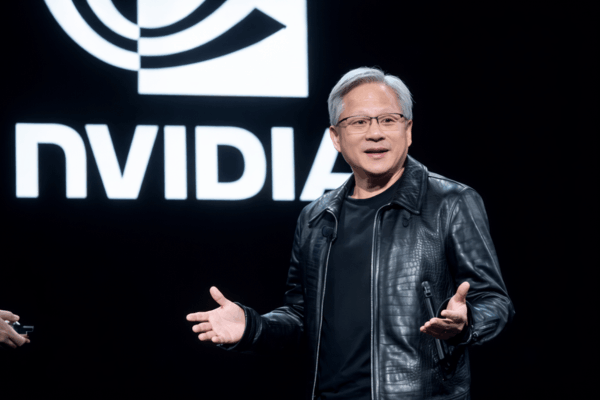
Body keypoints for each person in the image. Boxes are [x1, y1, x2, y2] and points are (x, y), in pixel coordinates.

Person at [187, 67, 514, 399]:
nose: (375, 133)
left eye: (388, 120)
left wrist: (466, 322)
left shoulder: (451, 202)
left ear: (408, 130)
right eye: (359, 122)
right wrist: (252, 327)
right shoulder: (316, 218)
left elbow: (495, 301)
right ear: (336, 137)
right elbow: (301, 317)